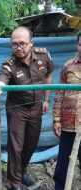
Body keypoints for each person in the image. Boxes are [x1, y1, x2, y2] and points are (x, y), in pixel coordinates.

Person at [0, 26, 54, 190]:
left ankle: (22, 172)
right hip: (17, 109)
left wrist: (46, 100)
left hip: (37, 107)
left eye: (23, 44)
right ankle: (14, 182)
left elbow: (48, 75)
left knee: (32, 143)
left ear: (31, 43)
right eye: (14, 44)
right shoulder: (9, 65)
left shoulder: (43, 55)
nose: (18, 48)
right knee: (16, 146)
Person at [52, 31, 81, 190]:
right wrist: (56, 119)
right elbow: (60, 93)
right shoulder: (68, 66)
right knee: (63, 164)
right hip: (69, 124)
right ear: (77, 45)